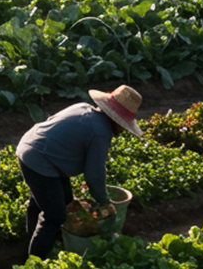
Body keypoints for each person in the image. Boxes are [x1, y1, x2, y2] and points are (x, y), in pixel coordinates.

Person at [15, 84, 144, 259]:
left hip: (31, 146)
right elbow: (94, 175)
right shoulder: (101, 132)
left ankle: (37, 243)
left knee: (52, 201)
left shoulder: (83, 108)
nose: (122, 131)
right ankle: (35, 261)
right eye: (123, 126)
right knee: (55, 215)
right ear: (116, 120)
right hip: (40, 160)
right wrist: (105, 202)